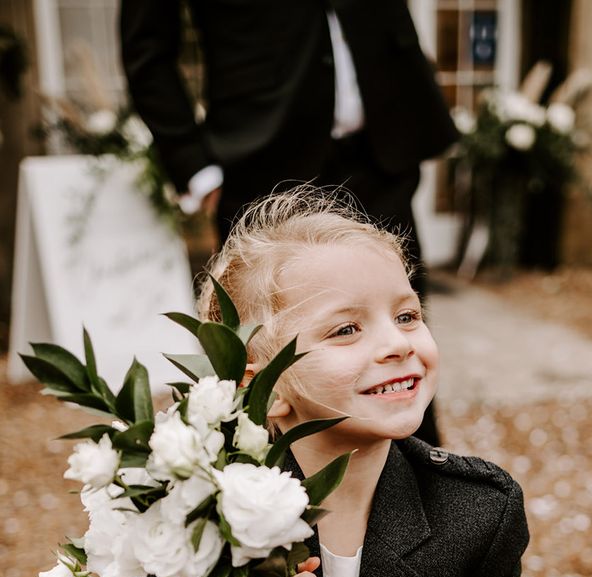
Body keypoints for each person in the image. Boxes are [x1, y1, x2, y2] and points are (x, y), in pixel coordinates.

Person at [112, 188, 552, 577]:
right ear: (264, 390)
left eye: (407, 315)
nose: (397, 344)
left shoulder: (476, 508)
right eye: (346, 329)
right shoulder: (202, 514)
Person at [119, 1, 457, 447]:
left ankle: (420, 482)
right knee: (266, 350)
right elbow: (148, 48)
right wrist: (192, 166)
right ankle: (269, 491)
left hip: (380, 153)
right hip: (262, 159)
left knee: (397, 324)